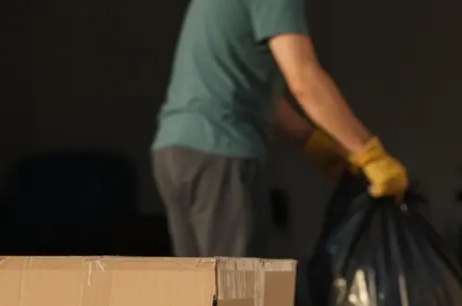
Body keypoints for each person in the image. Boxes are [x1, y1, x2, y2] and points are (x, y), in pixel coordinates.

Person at [151, 0, 408, 258]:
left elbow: (243, 88)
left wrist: (311, 141)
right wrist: (369, 153)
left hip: (176, 151)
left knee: (198, 290)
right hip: (222, 151)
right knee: (239, 291)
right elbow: (304, 80)